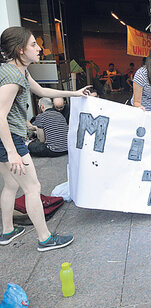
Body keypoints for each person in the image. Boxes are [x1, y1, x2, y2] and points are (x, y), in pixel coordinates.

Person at [0, 26, 89, 251]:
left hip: (5, 138)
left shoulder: (19, 70)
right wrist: (12, 152)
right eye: (33, 45)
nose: (39, 48)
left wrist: (73, 94)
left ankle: (7, 231)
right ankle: (45, 239)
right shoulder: (12, 76)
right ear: (20, 50)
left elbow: (41, 91)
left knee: (10, 185)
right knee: (33, 187)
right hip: (8, 138)